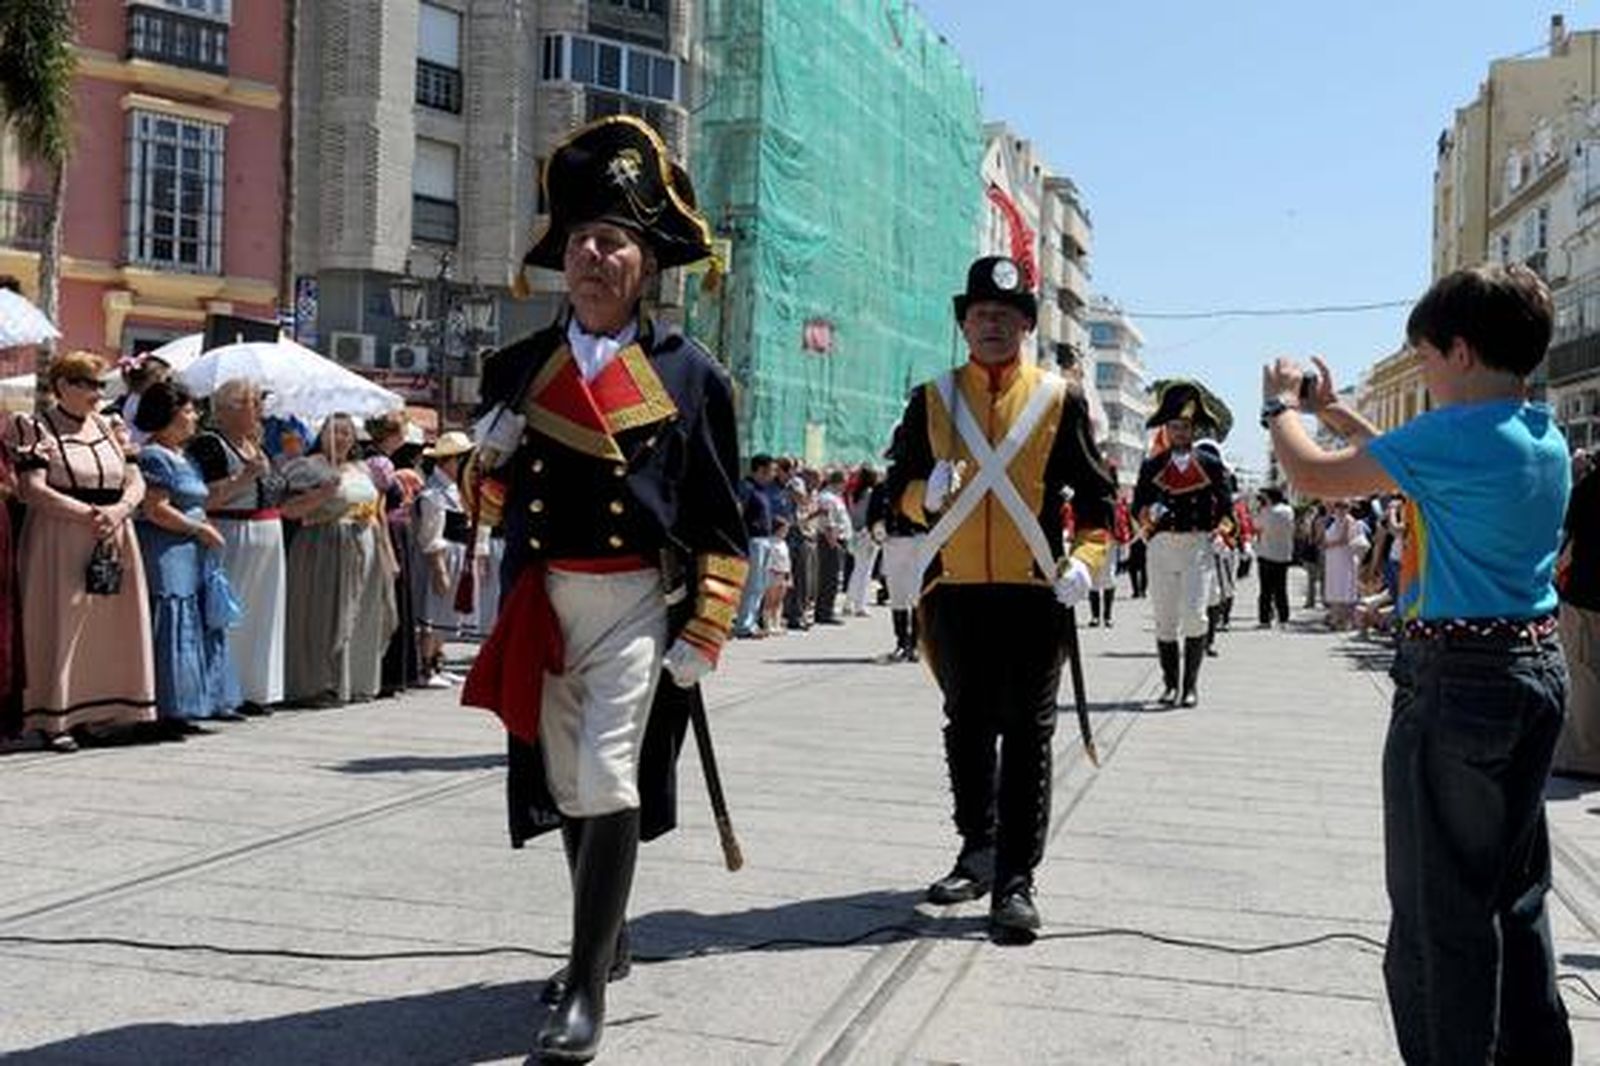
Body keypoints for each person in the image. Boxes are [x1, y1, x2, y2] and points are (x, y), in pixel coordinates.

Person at [459, 116, 747, 1064]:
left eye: (614, 238)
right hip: (543, 599)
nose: (593, 252)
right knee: (565, 785)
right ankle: (605, 932)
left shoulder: (692, 377)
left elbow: (719, 514)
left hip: (633, 599)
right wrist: (484, 468)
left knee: (607, 776)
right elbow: (493, 505)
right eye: (581, 236)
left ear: (647, 264)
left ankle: (583, 988)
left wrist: (706, 627)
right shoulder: (518, 368)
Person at [1264, 263, 1573, 1065]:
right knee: (1517, 895)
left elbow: (1313, 475)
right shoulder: (1542, 437)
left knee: (1440, 915)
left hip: (1458, 682)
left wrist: (1279, 409)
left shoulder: (1451, 440)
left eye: (1427, 358)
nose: (1426, 374)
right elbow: (1409, 457)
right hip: (1532, 671)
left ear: (1460, 352)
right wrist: (1333, 411)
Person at [885, 255, 1115, 944]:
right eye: (981, 314)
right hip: (953, 592)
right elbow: (890, 490)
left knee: (1027, 735)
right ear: (963, 324)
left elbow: (1101, 504)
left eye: (1006, 317)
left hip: (1033, 595)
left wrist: (1088, 562)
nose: (992, 325)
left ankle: (1016, 879)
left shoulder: (1056, 398)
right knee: (966, 724)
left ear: (1024, 327)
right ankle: (976, 851)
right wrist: (917, 495)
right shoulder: (930, 399)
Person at [10, 351, 156, 750]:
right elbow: (32, 489)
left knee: (108, 625)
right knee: (62, 622)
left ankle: (97, 712)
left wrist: (119, 511)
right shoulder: (35, 427)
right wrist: (91, 514)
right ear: (62, 386)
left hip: (113, 533)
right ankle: (54, 716)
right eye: (88, 383)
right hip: (60, 537)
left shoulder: (112, 426)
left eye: (100, 384)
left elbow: (136, 480)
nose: (97, 392)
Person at [133, 381, 242, 733]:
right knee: (173, 620)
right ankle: (165, 706)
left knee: (196, 619)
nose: (195, 416)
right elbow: (155, 509)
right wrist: (197, 529)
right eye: (189, 409)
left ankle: (192, 702)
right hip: (166, 548)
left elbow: (198, 500)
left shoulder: (184, 455)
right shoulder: (154, 456)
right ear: (170, 414)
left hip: (194, 548)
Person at [282, 413, 398, 707]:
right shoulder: (308, 468)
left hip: (364, 541)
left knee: (363, 611)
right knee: (325, 613)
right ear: (322, 435)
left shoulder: (362, 468)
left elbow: (376, 511)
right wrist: (325, 493)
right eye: (335, 431)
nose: (341, 438)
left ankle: (357, 680)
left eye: (347, 432)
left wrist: (387, 553)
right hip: (324, 543)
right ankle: (320, 682)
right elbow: (289, 509)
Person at [1131, 381, 1233, 707]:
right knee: (1164, 619)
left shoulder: (1212, 465)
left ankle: (1190, 687)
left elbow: (1226, 510)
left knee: (1194, 615)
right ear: (1167, 429)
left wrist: (1221, 531)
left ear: (1193, 429)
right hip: (1161, 548)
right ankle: (1170, 685)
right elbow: (1137, 507)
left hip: (1197, 547)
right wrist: (1147, 519)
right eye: (1174, 426)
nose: (1179, 433)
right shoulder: (1151, 466)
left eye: (1185, 427)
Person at [189, 379, 286, 715]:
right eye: (251, 402)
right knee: (232, 612)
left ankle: (256, 688)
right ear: (228, 409)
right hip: (233, 529)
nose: (258, 409)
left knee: (263, 615)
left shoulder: (256, 445)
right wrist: (245, 478)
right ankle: (225, 690)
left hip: (267, 532)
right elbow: (208, 496)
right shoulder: (210, 445)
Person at [413, 430, 475, 686]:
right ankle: (426, 668)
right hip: (443, 554)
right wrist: (439, 568)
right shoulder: (434, 494)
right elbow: (430, 535)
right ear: (450, 461)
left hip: (457, 552)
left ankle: (438, 660)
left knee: (445, 613)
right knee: (432, 611)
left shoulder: (454, 488)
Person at [1553, 451, 1600, 776]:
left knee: (1584, 672)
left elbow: (1569, 542)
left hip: (1586, 593)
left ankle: (1586, 755)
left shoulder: (1589, 488)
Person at [731, 454, 776, 638]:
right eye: (771, 470)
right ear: (760, 469)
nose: (773, 474)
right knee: (752, 584)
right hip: (753, 540)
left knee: (760, 584)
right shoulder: (747, 487)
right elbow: (739, 511)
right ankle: (744, 625)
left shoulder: (761, 489)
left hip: (765, 540)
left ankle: (752, 622)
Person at [813, 469, 852, 624]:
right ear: (840, 482)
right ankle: (824, 612)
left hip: (835, 539)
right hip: (831, 540)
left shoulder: (835, 497)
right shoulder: (828, 498)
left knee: (833, 577)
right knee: (829, 578)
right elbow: (829, 522)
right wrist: (833, 542)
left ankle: (826, 609)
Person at [1321, 499, 1365, 630]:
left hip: (1343, 557)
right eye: (1338, 506)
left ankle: (1343, 621)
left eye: (1344, 506)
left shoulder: (1349, 520)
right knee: (1335, 587)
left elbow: (1345, 539)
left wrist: (1328, 545)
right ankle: (1337, 619)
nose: (1340, 509)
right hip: (1334, 558)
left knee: (1344, 587)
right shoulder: (1334, 520)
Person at [1253, 487, 1295, 627]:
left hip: (1266, 553)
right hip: (1283, 554)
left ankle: (1265, 620)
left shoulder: (1266, 512)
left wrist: (1259, 510)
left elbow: (1256, 526)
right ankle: (1283, 619)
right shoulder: (1288, 511)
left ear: (1270, 497)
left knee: (1265, 590)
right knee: (1281, 589)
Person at [762, 515, 793, 634]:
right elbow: (768, 560)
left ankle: (777, 624)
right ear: (778, 529)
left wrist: (789, 575)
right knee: (770, 600)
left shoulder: (783, 543)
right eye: (784, 529)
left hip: (783, 573)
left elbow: (787, 560)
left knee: (779, 601)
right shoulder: (770, 542)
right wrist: (773, 572)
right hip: (773, 573)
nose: (786, 532)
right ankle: (767, 625)